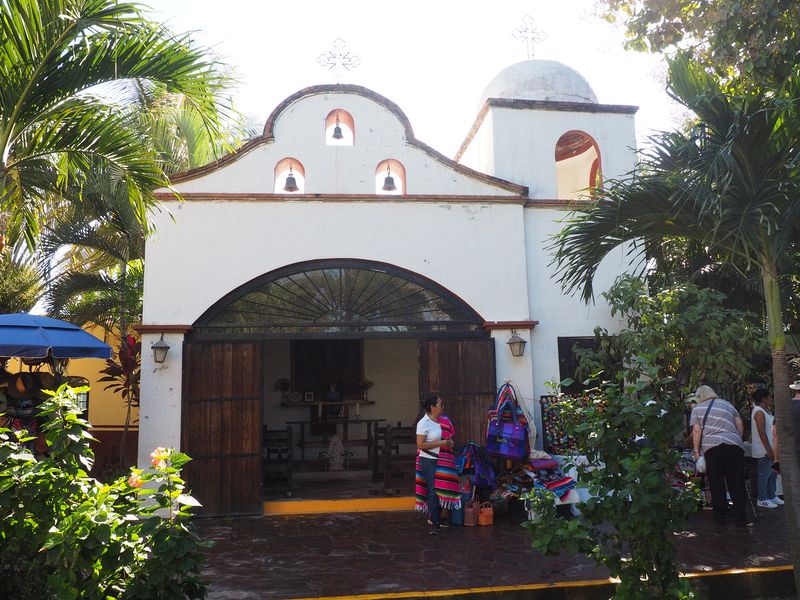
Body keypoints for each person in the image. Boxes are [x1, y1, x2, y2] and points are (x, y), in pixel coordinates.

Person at [691, 385, 749, 526]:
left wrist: (696, 451)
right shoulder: (727, 404)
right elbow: (739, 423)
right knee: (736, 482)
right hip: (733, 446)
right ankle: (740, 517)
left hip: (712, 447)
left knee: (716, 483)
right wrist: (737, 439)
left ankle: (720, 517)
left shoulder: (697, 409)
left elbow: (697, 431)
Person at [415, 394, 454, 535]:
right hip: (428, 460)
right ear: (432, 407)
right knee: (433, 491)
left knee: (441, 489)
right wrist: (441, 443)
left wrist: (448, 444)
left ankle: (435, 518)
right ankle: (435, 523)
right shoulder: (423, 423)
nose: (442, 407)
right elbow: (420, 445)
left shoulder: (442, 421)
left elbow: (445, 439)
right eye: (440, 405)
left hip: (442, 459)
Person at [750, 389, 782, 508]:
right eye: (769, 397)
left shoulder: (766, 411)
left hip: (772, 446)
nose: (771, 399)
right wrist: (768, 449)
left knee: (772, 473)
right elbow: (762, 432)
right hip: (764, 449)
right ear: (763, 398)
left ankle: (771, 495)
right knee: (764, 474)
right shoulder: (758, 412)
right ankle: (762, 498)